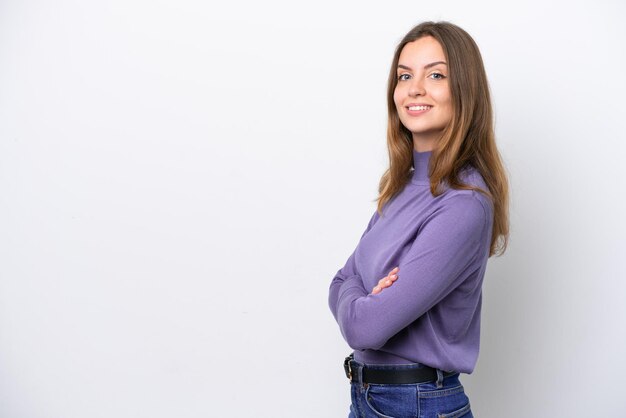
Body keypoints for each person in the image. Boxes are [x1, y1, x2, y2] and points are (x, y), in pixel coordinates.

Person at [328, 21, 509, 418]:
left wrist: (361, 298)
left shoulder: (463, 203)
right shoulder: (400, 186)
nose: (415, 89)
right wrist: (361, 295)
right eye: (405, 75)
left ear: (465, 91)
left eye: (436, 75)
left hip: (417, 404)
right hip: (370, 397)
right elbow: (339, 280)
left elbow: (364, 330)